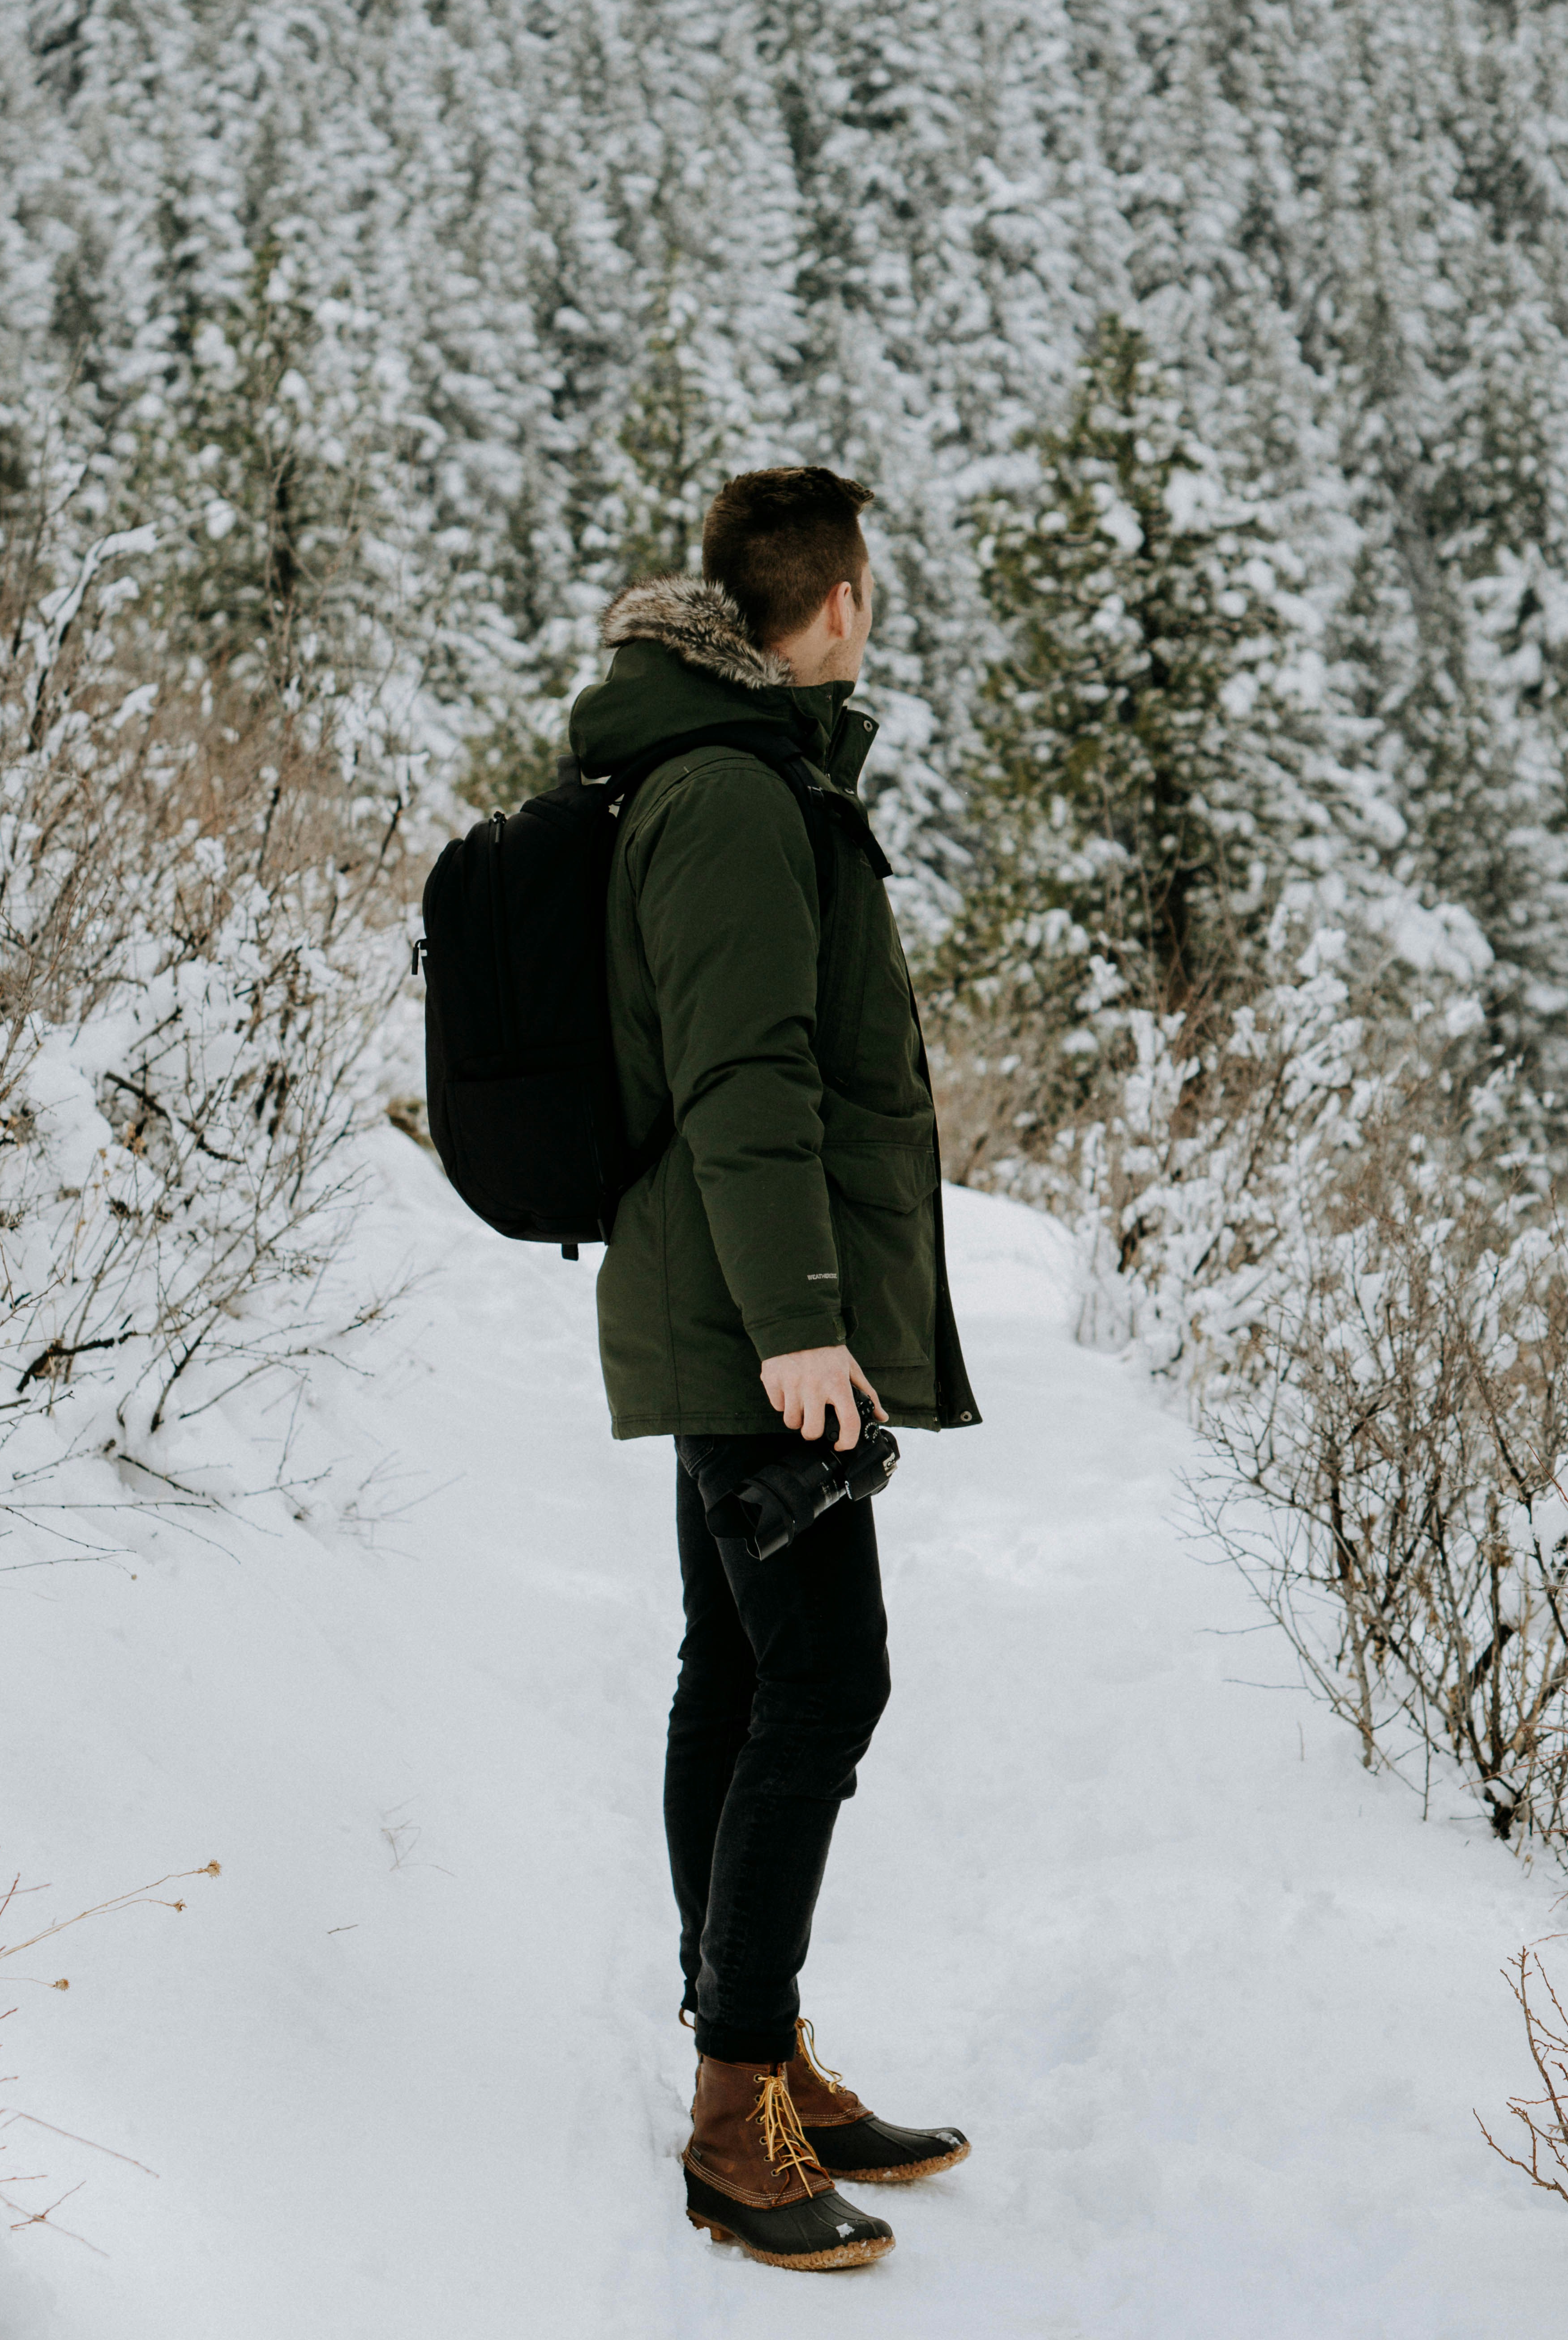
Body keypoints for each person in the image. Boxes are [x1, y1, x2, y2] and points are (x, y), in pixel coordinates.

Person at [568, 465, 981, 2272]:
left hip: (721, 1300)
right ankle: (736, 2110)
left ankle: (761, 2049)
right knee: (822, 1682)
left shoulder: (731, 773)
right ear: (835, 607)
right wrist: (806, 1328)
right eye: (868, 587)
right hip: (752, 1322)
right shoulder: (734, 797)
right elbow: (745, 1079)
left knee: (734, 1678)